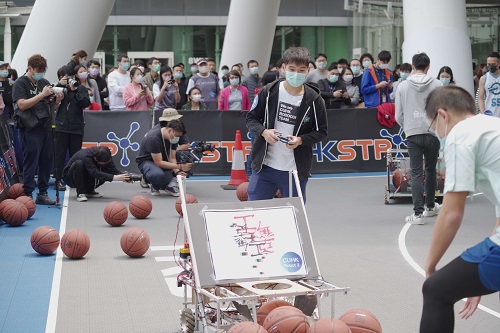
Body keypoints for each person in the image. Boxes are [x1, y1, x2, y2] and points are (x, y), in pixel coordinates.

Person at [420, 85, 500, 333]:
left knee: (435, 290)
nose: (438, 134)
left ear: (442, 115)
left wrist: (431, 267)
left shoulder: (460, 134)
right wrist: (471, 283)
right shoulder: (493, 126)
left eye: (434, 128)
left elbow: (452, 213)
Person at [246, 46, 328, 202]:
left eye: (301, 70)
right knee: (255, 213)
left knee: (295, 217)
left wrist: (300, 140)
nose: (296, 74)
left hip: (294, 170)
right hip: (265, 167)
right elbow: (251, 118)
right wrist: (264, 132)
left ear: (308, 70)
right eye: (292, 69)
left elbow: (321, 131)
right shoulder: (269, 92)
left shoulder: (315, 99)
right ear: (283, 68)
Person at [395, 53, 442, 224]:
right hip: (432, 132)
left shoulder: (402, 86)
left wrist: (408, 127)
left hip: (412, 133)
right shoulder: (437, 84)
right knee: (430, 171)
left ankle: (417, 214)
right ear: (428, 67)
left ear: (413, 66)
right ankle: (430, 207)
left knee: (416, 173)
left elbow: (397, 115)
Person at [12, 54, 63, 204]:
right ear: (30, 68)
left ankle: (43, 192)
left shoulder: (44, 82)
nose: (41, 73)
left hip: (46, 125)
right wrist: (42, 95)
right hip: (29, 127)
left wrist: (57, 100)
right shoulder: (20, 83)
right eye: (38, 70)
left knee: (46, 161)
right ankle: (28, 194)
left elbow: (51, 105)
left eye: (43, 70)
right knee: (31, 161)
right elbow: (21, 105)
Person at [135, 109, 192, 196]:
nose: (177, 138)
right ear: (169, 130)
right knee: (158, 175)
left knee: (184, 160)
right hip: (147, 161)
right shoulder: (153, 137)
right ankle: (151, 180)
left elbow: (172, 157)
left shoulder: (173, 136)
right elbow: (158, 162)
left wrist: (177, 172)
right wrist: (180, 166)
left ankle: (167, 183)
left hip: (162, 159)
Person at [53, 66, 91, 191]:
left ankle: (75, 179)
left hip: (76, 127)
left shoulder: (81, 88)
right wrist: (60, 87)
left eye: (70, 77)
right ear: (60, 78)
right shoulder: (58, 88)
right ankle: (58, 179)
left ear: (74, 76)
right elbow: (51, 102)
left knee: (76, 156)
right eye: (64, 77)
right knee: (59, 155)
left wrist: (75, 91)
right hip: (61, 126)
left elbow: (85, 103)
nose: (68, 80)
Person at [63, 146, 131, 202]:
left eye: (107, 161)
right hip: (70, 178)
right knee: (79, 164)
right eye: (103, 162)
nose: (106, 163)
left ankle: (89, 191)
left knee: (105, 169)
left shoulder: (106, 155)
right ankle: (80, 193)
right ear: (95, 158)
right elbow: (94, 172)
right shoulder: (86, 156)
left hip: (87, 173)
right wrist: (114, 177)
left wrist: (125, 177)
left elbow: (113, 170)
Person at [478, 51, 500, 117]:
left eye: (493, 64)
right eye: (488, 64)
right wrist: (483, 113)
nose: (490, 67)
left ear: (499, 63)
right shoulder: (483, 78)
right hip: (490, 115)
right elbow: (480, 98)